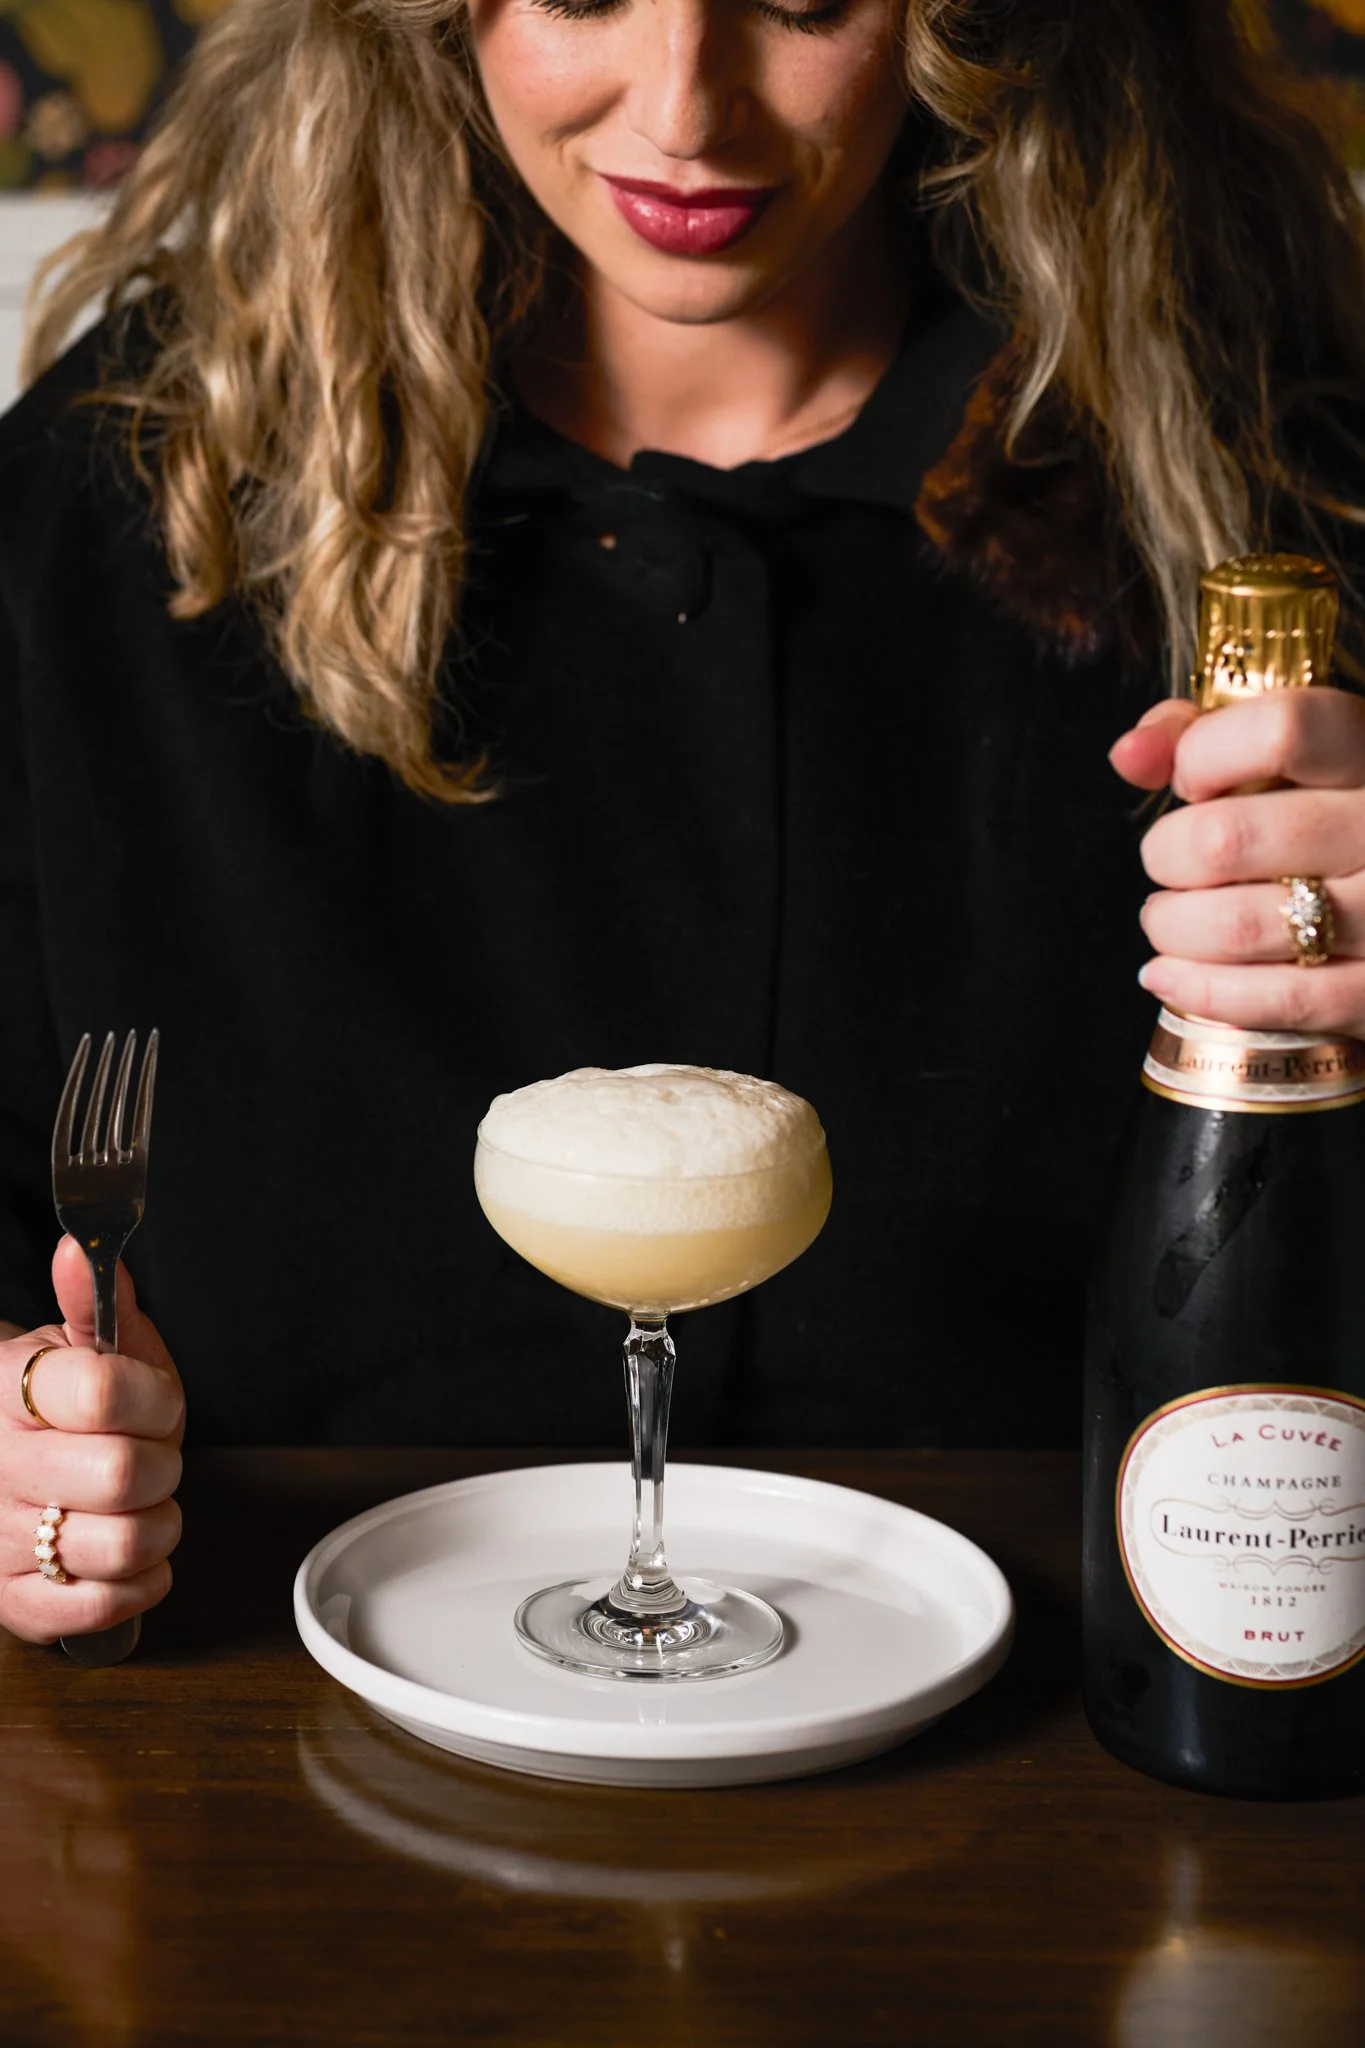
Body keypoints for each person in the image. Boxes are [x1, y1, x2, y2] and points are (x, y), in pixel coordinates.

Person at [2, 0, 1365, 1645]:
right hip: (278, 1764)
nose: (686, 108)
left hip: (1093, 1762)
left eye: (801, 1)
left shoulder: (1285, 501)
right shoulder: (109, 508)